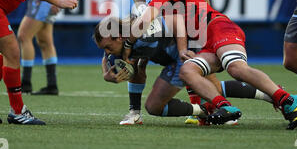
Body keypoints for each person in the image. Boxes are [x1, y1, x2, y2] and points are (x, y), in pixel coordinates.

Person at [124, 0, 297, 129]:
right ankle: (224, 107)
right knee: (187, 72)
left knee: (236, 68)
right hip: (203, 41)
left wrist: (127, 44)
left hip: (217, 27)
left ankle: (286, 99)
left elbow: (143, 23)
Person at [94, 16, 273, 125]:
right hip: (174, 63)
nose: (107, 52)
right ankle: (202, 110)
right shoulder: (121, 45)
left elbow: (176, 19)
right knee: (154, 105)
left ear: (119, 37)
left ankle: (270, 94)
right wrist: (105, 74)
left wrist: (182, 50)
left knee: (211, 89)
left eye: (108, 47)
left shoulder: (141, 30)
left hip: (191, 52)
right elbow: (128, 65)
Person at [132, 0, 210, 124]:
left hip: (180, 25)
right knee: (136, 57)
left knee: (193, 66)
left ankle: (216, 107)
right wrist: (141, 9)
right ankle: (134, 111)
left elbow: (204, 3)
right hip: (154, 17)